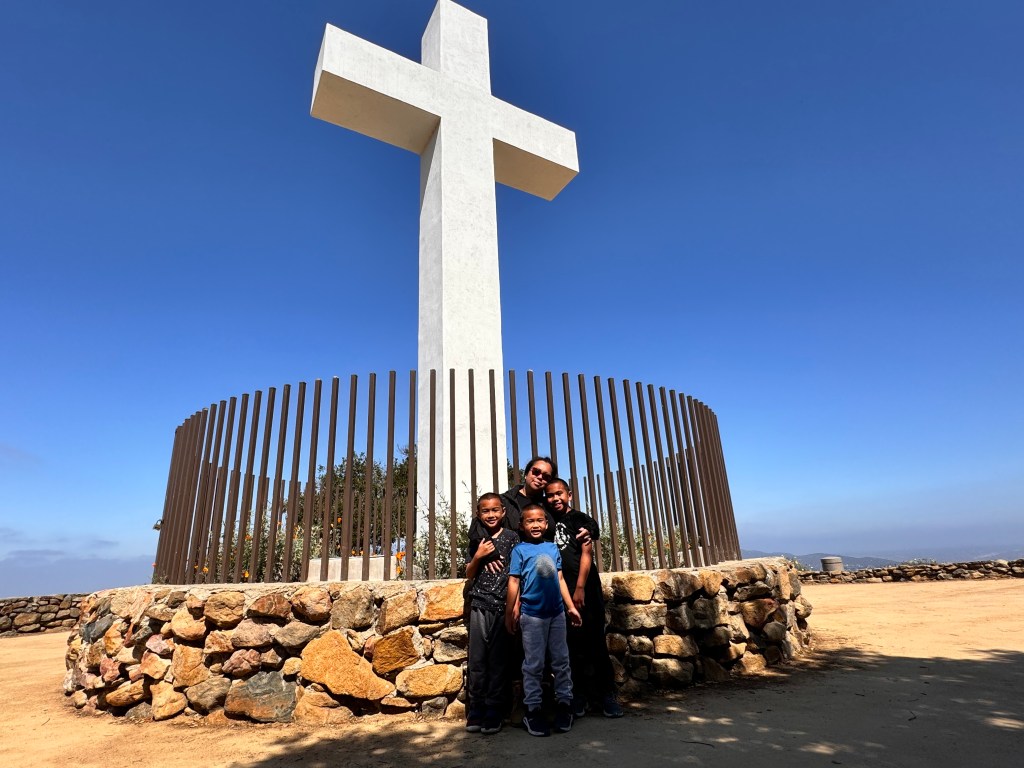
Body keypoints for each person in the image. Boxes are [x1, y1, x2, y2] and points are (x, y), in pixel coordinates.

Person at [545, 478, 623, 718]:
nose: (555, 499)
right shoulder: (546, 521)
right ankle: (578, 695)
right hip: (560, 591)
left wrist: (580, 588)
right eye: (550, 495)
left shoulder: (578, 519)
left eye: (559, 493)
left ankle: (606, 695)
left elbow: (589, 544)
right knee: (570, 646)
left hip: (585, 589)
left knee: (595, 642)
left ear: (569, 494)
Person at [505, 503, 582, 736]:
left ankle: (565, 704)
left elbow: (560, 579)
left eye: (540, 520)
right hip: (531, 616)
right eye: (530, 521)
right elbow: (514, 581)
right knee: (534, 664)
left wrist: (570, 607)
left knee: (561, 660)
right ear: (522, 526)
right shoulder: (519, 550)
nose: (536, 524)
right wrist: (510, 612)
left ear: (546, 524)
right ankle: (533, 709)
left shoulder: (552, 548)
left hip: (556, 614)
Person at [464, 493, 520, 734]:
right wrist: (479, 556)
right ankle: (476, 708)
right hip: (479, 604)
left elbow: (517, 574)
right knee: (477, 660)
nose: (491, 515)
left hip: (502, 606)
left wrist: (514, 606)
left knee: (498, 661)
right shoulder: (477, 539)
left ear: (503, 512)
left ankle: (494, 709)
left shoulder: (512, 538)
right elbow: (469, 573)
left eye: (495, 510)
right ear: (478, 514)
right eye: (485, 511)